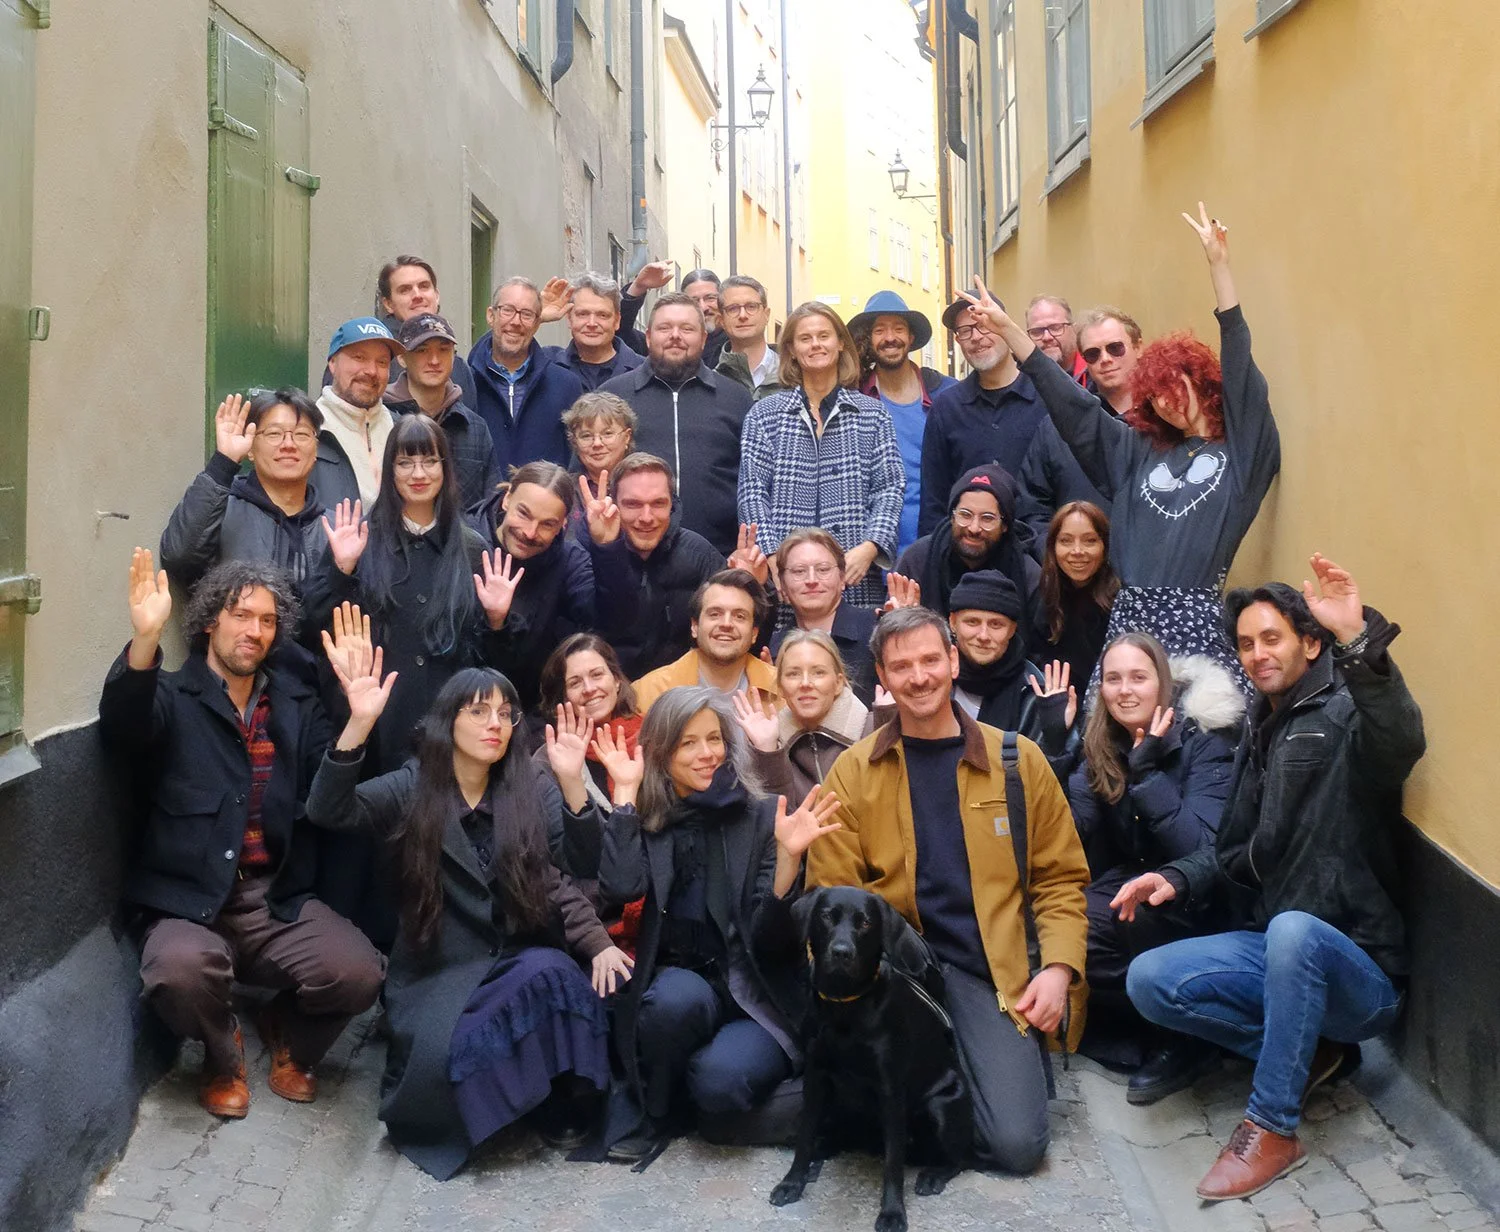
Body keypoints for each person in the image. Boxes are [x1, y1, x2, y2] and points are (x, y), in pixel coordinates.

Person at [1115, 556, 1424, 1201]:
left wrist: (1359, 639)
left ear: (1311, 643)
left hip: (1359, 967)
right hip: (1278, 946)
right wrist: (1178, 875)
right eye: (1247, 643)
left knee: (1293, 932)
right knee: (1150, 982)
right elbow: (1239, 850)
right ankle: (1311, 1050)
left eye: (1273, 638)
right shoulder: (1263, 721)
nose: (1257, 653)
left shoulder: (1345, 712)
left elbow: (1401, 740)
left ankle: (1272, 1126)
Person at [306, 649, 626, 1179]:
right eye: (478, 711)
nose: (494, 724)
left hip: (513, 962)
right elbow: (329, 811)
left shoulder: (529, 784)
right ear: (447, 719)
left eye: (505, 713)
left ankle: (559, 1102)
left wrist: (573, 785)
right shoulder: (412, 785)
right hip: (436, 975)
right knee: (444, 1063)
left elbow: (580, 864)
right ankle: (492, 1110)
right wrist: (359, 723)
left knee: (555, 975)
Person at [100, 551, 384, 1119]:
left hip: (273, 900)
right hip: (187, 902)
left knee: (360, 973)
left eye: (268, 620)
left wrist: (358, 720)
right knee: (176, 973)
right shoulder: (174, 697)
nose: (254, 630)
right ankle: (220, 1053)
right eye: (240, 614)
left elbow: (329, 799)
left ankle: (289, 1035)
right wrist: (145, 641)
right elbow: (125, 726)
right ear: (210, 619)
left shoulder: (295, 706)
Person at [807, 606, 1090, 1173]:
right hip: (895, 975)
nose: (919, 677)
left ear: (954, 660)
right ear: (881, 678)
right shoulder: (854, 772)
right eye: (901, 666)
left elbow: (1060, 879)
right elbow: (833, 895)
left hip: (989, 972)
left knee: (1017, 1146)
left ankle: (938, 1093)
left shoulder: (1017, 761)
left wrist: (1058, 969)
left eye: (931, 659)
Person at [961, 206, 1282, 684]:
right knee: (1113, 749)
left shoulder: (1242, 456)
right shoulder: (1137, 451)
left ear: (1202, 382)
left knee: (1197, 743)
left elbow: (1239, 363)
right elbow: (1073, 406)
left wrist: (1220, 269)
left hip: (1195, 629)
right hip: (1129, 626)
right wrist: (1009, 331)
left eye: (1175, 385)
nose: (1167, 403)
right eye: (1154, 395)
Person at [593, 687, 842, 1161]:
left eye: (714, 739)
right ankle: (661, 1112)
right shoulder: (652, 819)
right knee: (672, 1001)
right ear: (662, 753)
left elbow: (776, 944)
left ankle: (826, 1101)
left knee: (718, 1088)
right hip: (685, 986)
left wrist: (789, 861)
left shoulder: (765, 814)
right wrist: (624, 798)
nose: (707, 754)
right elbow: (620, 889)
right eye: (688, 743)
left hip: (756, 993)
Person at [1064, 633, 1241, 1084]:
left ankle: (1188, 1033)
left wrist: (1146, 772)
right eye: (1113, 679)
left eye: (1138, 678)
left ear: (1162, 683)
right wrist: (1059, 750)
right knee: (1061, 927)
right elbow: (1083, 846)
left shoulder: (1205, 738)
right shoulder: (1106, 741)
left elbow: (1200, 845)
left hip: (1201, 891)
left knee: (1133, 915)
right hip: (1134, 879)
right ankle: (1153, 1021)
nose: (1125, 690)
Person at [320, 415, 508, 775]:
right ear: (388, 471)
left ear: (445, 468)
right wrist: (339, 571)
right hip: (376, 726)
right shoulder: (360, 542)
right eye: (405, 462)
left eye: (429, 461)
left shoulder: (472, 548)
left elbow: (490, 659)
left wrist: (498, 621)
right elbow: (318, 624)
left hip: (452, 728)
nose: (418, 474)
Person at [738, 301, 906, 609]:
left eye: (824, 335)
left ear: (841, 342)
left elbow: (889, 488)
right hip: (786, 577)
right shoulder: (764, 415)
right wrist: (773, 557)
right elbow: (752, 493)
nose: (816, 344)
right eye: (805, 338)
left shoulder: (872, 413)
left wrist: (870, 547)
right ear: (791, 348)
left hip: (853, 571)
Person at [159, 389, 337, 671]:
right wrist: (223, 463)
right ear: (251, 449)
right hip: (234, 681)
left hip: (313, 691)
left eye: (302, 434)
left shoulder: (338, 527)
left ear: (315, 450)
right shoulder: (223, 509)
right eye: (275, 434)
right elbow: (178, 555)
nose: (288, 444)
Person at [600, 292, 753, 558]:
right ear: (648, 337)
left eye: (687, 328)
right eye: (664, 328)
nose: (675, 335)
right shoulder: (612, 397)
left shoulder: (736, 398)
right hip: (630, 558)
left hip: (719, 556)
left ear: (704, 339)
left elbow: (754, 481)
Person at [578, 453, 725, 678]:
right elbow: (603, 621)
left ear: (672, 505)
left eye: (658, 504)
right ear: (613, 503)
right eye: (633, 504)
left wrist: (758, 586)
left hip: (682, 694)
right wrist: (607, 550)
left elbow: (740, 635)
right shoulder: (584, 551)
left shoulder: (699, 553)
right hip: (609, 693)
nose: (646, 517)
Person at [918, 290, 1047, 538]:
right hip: (968, 559)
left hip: (1037, 556)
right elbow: (934, 500)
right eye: (965, 331)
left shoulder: (1045, 399)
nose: (976, 337)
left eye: (983, 325)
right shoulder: (947, 408)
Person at [468, 461, 596, 708]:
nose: (529, 532)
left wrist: (606, 547)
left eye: (547, 524)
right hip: (460, 703)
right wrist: (494, 623)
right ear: (507, 499)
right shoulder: (464, 543)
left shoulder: (569, 562)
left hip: (527, 708)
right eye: (523, 513)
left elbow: (605, 620)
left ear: (563, 525)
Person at [1016, 308, 1143, 546]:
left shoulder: (1167, 420)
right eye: (1093, 354)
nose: (1105, 359)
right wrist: (1057, 558)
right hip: (1075, 575)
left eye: (1115, 348)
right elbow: (1031, 507)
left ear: (1138, 347)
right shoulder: (1057, 427)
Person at [848, 290, 958, 554]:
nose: (890, 338)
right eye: (879, 330)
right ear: (867, 339)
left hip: (937, 546)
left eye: (898, 328)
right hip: (870, 553)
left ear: (910, 337)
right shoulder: (854, 400)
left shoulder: (947, 395)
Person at [735, 629, 872, 804]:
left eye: (818, 672)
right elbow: (776, 821)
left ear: (838, 683)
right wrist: (767, 751)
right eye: (793, 674)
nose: (805, 683)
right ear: (781, 687)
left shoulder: (872, 729)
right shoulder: (772, 745)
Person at [894, 464, 1041, 624]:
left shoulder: (1028, 574)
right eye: (965, 515)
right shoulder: (918, 559)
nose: (974, 528)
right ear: (952, 517)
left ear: (1005, 525)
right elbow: (888, 633)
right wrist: (900, 624)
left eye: (987, 518)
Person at [467, 276, 585, 472]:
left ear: (538, 323)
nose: (516, 321)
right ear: (490, 316)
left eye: (527, 314)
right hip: (482, 502)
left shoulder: (566, 385)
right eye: (507, 310)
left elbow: (576, 459)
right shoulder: (467, 382)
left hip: (546, 501)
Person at [384, 313, 498, 510]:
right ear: (402, 358)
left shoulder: (475, 427)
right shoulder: (383, 418)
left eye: (444, 350)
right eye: (422, 350)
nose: (435, 360)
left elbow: (490, 505)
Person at [631, 569, 780, 713]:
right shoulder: (649, 694)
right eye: (715, 614)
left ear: (754, 633)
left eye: (739, 616)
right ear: (694, 626)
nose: (726, 624)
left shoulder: (782, 688)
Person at [766, 528, 879, 707]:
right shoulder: (772, 650)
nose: (811, 580)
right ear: (782, 582)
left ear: (842, 578)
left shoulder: (876, 631)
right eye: (799, 571)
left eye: (823, 569)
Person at [535, 633, 644, 810]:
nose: (589, 689)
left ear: (616, 680)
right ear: (563, 697)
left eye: (597, 675)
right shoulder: (548, 762)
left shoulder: (654, 736)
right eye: (575, 683)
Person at [1028, 501, 1120, 694]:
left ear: (1105, 546)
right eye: (1066, 541)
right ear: (1053, 547)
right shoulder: (1044, 596)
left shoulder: (1121, 602)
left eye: (1089, 541)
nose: (1077, 551)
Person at [317, 317, 404, 508]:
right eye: (359, 358)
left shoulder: (401, 430)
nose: (371, 371)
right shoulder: (309, 429)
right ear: (332, 363)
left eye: (382, 362)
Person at [617, 261, 730, 364]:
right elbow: (618, 331)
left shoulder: (737, 342)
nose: (703, 307)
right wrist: (638, 287)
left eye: (710, 298)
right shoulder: (665, 343)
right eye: (694, 301)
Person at [549, 272, 645, 391]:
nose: (592, 323)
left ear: (617, 321)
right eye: (583, 314)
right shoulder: (547, 366)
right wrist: (538, 317)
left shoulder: (644, 372)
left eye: (602, 315)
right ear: (569, 319)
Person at [714, 274, 782, 397]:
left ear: (766, 314)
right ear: (721, 320)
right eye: (733, 309)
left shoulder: (793, 375)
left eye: (751, 306)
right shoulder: (712, 383)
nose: (743, 315)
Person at [561, 391, 637, 491]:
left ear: (627, 437)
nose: (597, 443)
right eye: (586, 436)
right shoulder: (564, 491)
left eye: (607, 434)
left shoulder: (647, 484)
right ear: (575, 442)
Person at [1025, 296, 1089, 385]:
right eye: (1037, 331)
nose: (1047, 337)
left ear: (1074, 330)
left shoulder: (1095, 371)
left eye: (1055, 328)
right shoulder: (1022, 381)